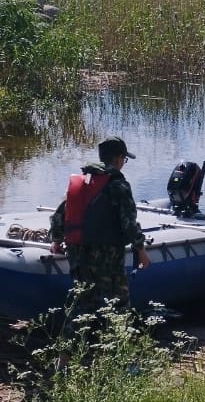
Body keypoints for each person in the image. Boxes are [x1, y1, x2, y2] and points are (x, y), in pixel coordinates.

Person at [49, 136, 150, 319]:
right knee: (119, 302)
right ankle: (118, 342)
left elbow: (59, 216)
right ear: (119, 158)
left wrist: (56, 241)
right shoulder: (118, 185)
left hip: (77, 253)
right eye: (124, 160)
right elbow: (129, 223)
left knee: (83, 302)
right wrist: (141, 250)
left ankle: (73, 342)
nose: (123, 163)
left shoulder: (82, 182)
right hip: (107, 254)